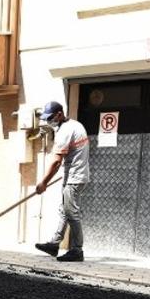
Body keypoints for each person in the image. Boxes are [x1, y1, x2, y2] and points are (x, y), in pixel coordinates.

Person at [34, 100, 90, 262]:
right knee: (64, 211)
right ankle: (54, 244)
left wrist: (43, 182)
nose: (48, 121)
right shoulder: (75, 125)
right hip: (76, 175)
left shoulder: (65, 131)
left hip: (74, 177)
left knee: (72, 213)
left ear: (59, 114)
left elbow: (57, 161)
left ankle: (77, 250)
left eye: (50, 117)